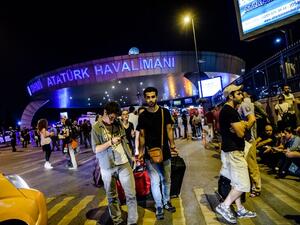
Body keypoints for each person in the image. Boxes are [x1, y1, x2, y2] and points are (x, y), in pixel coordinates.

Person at [91, 101, 138, 225]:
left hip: (123, 163)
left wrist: (131, 156)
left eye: (115, 117)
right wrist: (110, 142)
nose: (113, 120)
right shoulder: (96, 128)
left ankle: (132, 221)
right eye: (111, 117)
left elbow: (125, 141)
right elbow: (95, 149)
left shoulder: (118, 123)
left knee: (131, 194)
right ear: (105, 112)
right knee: (112, 197)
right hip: (107, 166)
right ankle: (117, 221)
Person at [215, 84, 256, 224]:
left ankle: (239, 209)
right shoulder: (230, 111)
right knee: (243, 184)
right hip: (234, 152)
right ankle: (224, 206)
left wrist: (241, 124)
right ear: (230, 96)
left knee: (235, 183)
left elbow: (238, 129)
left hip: (229, 150)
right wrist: (247, 122)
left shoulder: (230, 110)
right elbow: (241, 133)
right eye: (238, 93)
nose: (242, 95)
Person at [138, 87, 178, 220]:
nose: (150, 99)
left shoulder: (164, 112)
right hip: (150, 153)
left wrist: (172, 145)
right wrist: (141, 152)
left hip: (165, 152)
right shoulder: (142, 116)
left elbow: (169, 129)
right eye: (148, 97)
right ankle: (159, 205)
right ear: (145, 98)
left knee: (167, 179)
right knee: (155, 182)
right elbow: (142, 135)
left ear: (157, 97)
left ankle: (166, 202)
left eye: (152, 96)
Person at [238, 91, 261, 198]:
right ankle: (252, 186)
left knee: (252, 165)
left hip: (249, 140)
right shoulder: (242, 105)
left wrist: (242, 128)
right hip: (246, 139)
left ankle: (256, 187)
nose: (240, 95)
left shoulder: (245, 104)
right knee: (247, 165)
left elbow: (252, 120)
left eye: (240, 93)